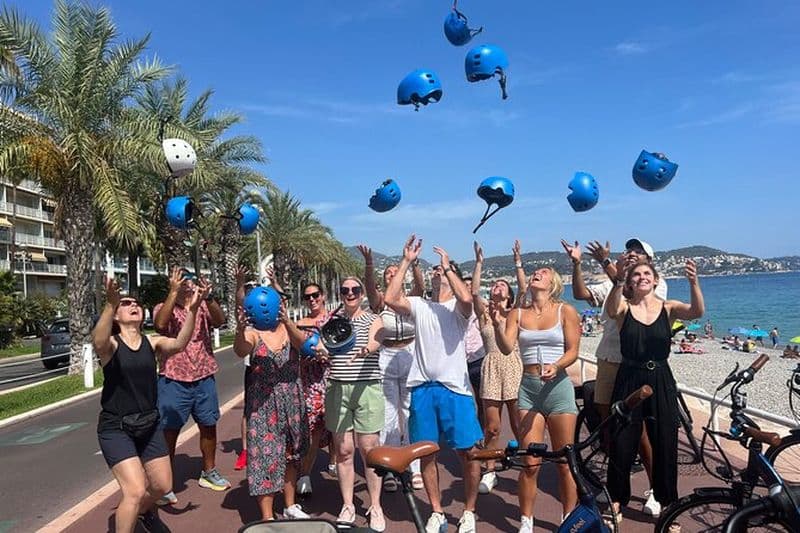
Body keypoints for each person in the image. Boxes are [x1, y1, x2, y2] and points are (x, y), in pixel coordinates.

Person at [384, 235, 483, 533]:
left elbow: (467, 298)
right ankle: (437, 511)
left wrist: (449, 268)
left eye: (444, 272)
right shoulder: (419, 305)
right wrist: (406, 261)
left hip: (456, 390)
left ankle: (469, 511)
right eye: (437, 272)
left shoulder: (458, 309)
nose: (439, 274)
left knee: (469, 452)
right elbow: (389, 298)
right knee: (427, 453)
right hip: (422, 389)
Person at [562, 237, 667, 517]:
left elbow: (635, 299)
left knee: (642, 432)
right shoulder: (615, 279)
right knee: (613, 429)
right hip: (609, 359)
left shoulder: (654, 282)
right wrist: (577, 264)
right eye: (629, 250)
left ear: (649, 261)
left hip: (636, 365)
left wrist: (610, 266)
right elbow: (580, 293)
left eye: (638, 252)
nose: (631, 254)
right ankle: (616, 489)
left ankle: (656, 489)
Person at [94, 276, 205, 533]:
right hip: (116, 427)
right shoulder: (111, 345)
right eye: (126, 303)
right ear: (116, 316)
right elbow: (98, 342)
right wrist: (110, 304)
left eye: (136, 302)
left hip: (148, 423)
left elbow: (179, 344)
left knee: (162, 486)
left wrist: (194, 309)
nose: (133, 305)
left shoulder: (151, 342)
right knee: (134, 490)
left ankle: (144, 512)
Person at [605, 258, 704, 523]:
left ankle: (668, 504)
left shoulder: (668, 307)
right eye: (636, 275)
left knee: (665, 442)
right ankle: (616, 500)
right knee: (622, 441)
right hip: (629, 377)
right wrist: (618, 279)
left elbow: (696, 312)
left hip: (660, 377)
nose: (641, 277)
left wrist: (693, 283)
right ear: (630, 281)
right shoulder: (624, 308)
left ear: (656, 280)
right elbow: (612, 310)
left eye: (647, 273)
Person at [493, 264, 581, 532]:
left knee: (565, 461)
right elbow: (507, 348)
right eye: (536, 272)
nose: (537, 273)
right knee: (530, 462)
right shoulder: (518, 313)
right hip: (529, 388)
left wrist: (557, 365)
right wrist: (498, 323)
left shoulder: (565, 311)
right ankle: (526, 521)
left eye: (544, 271)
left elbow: (573, 350)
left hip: (558, 389)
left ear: (553, 282)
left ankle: (567, 518)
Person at [233, 288, 310, 521]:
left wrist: (287, 321)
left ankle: (290, 505)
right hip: (263, 405)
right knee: (264, 457)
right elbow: (241, 350)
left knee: (290, 454)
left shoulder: (291, 329)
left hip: (292, 401)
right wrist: (238, 329)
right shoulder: (253, 333)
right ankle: (267, 516)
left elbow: (304, 345)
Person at [153, 268, 228, 503]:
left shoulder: (203, 306)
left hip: (204, 376)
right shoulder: (163, 306)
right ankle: (164, 483)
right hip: (173, 379)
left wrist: (209, 297)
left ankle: (209, 471)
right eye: (181, 282)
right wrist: (172, 293)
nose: (187, 285)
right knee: (169, 431)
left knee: (208, 425)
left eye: (190, 281)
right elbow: (159, 325)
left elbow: (221, 320)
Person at [358, 244, 425, 492]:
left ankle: (413, 466)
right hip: (386, 355)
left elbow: (421, 286)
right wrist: (369, 264)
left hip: (409, 353)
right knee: (387, 415)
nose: (391, 274)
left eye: (395, 271)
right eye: (388, 273)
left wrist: (414, 263)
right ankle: (388, 469)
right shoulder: (380, 303)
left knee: (409, 412)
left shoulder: (411, 299)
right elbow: (370, 288)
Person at [322, 277, 386, 531]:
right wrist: (319, 350)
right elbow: (321, 345)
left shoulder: (373, 319)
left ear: (362, 293)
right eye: (345, 290)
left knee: (370, 451)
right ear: (340, 293)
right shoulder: (332, 322)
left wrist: (365, 350)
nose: (350, 293)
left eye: (355, 290)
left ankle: (376, 506)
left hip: (367, 388)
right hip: (338, 388)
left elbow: (376, 340)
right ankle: (348, 505)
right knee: (344, 450)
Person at [471, 241, 523, 495]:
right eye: (495, 285)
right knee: (492, 427)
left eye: (502, 285)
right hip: (490, 365)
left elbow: (524, 289)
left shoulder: (514, 313)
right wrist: (479, 263)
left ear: (509, 295)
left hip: (513, 365)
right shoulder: (484, 312)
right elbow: (472, 293)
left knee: (518, 422)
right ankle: (490, 470)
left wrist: (517, 262)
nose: (497, 286)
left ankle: (527, 463)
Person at [295, 281, 336, 496]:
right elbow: (294, 352)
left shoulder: (333, 320)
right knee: (314, 430)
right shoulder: (300, 323)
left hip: (332, 379)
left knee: (337, 427)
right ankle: (304, 475)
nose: (312, 299)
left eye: (315, 295)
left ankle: (334, 461)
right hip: (310, 383)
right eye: (307, 296)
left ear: (323, 295)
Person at [463, 275, 487, 428]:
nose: (467, 288)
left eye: (470, 286)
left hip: (477, 357)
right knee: (464, 399)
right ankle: (469, 429)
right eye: (464, 285)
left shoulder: (481, 305)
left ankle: (482, 431)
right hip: (459, 358)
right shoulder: (455, 306)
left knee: (481, 399)